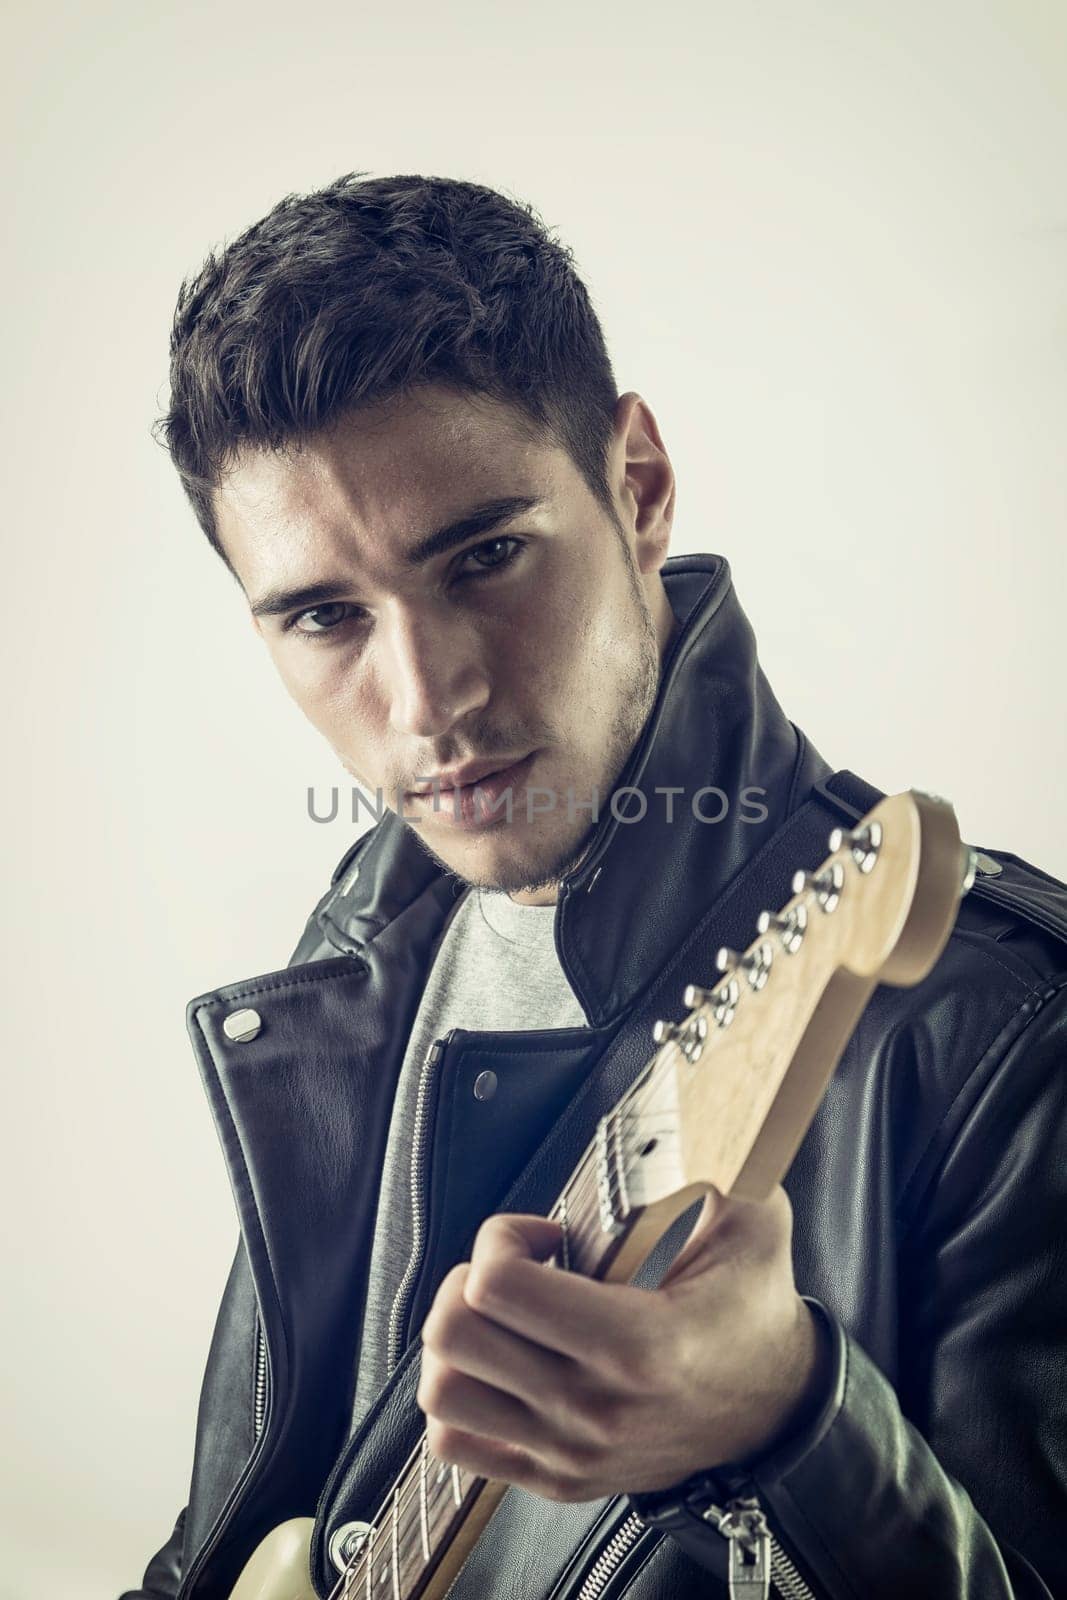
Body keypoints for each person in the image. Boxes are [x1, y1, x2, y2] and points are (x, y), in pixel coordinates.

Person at [122, 172, 1067, 1600]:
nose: (429, 697)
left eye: (486, 556)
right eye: (325, 617)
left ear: (635, 488)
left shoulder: (1001, 1031)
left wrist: (797, 1428)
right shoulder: (369, 927)